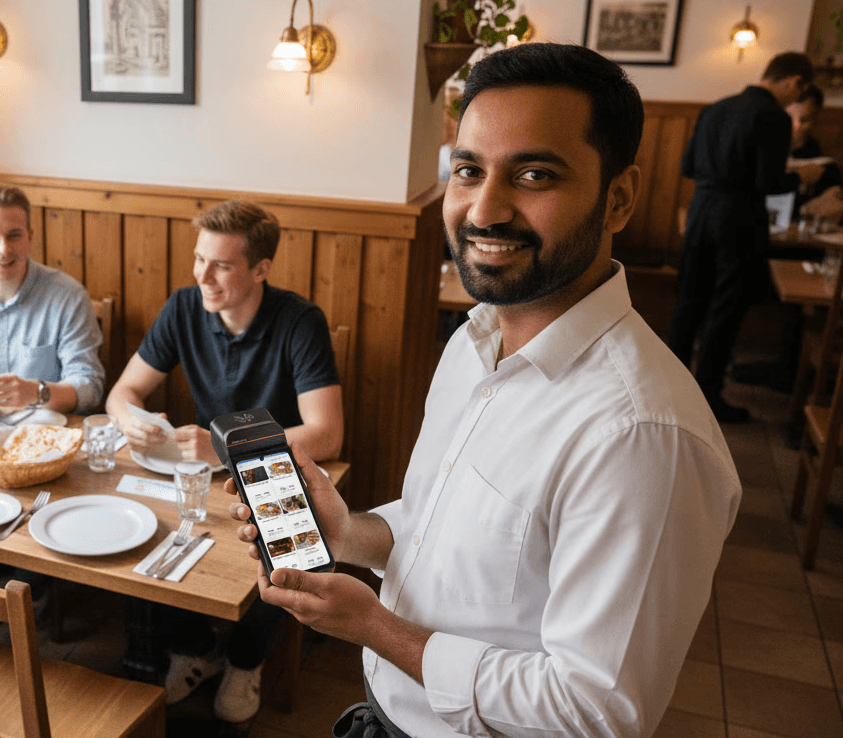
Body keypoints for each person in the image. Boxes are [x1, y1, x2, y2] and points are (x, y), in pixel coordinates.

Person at [227, 44, 742, 737]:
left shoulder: (643, 435)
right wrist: (350, 533)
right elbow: (444, 530)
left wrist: (375, 627)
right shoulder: (472, 343)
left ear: (618, 198)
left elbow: (594, 712)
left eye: (534, 175)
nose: (485, 210)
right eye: (468, 170)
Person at [106, 199, 343, 723]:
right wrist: (128, 418)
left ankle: (245, 660)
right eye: (199, 259)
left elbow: (327, 433)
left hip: (275, 473)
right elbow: (123, 391)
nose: (202, 276)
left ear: (261, 269)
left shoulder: (300, 320)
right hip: (197, 473)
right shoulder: (183, 306)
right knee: (146, 529)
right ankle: (195, 649)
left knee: (279, 540)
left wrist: (226, 448)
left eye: (221, 265)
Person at [666, 52, 823, 422]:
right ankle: (708, 397)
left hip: (701, 210)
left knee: (688, 301)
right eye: (799, 92)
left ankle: (667, 390)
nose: (795, 99)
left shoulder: (714, 109)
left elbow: (687, 166)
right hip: (738, 218)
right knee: (725, 308)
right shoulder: (773, 117)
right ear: (795, 82)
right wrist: (802, 176)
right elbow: (769, 183)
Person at [0, 184, 105, 627]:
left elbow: (91, 388)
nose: (4, 250)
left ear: (30, 236)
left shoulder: (65, 295)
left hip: (41, 455)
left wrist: (36, 391)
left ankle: (27, 593)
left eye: (14, 235)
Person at [731, 84, 843, 393]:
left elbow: (829, 207)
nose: (796, 126)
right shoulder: (762, 150)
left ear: (815, 121)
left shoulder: (823, 163)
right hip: (758, 245)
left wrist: (831, 202)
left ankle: (789, 370)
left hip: (802, 251)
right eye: (790, 117)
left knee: (805, 291)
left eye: (805, 120)